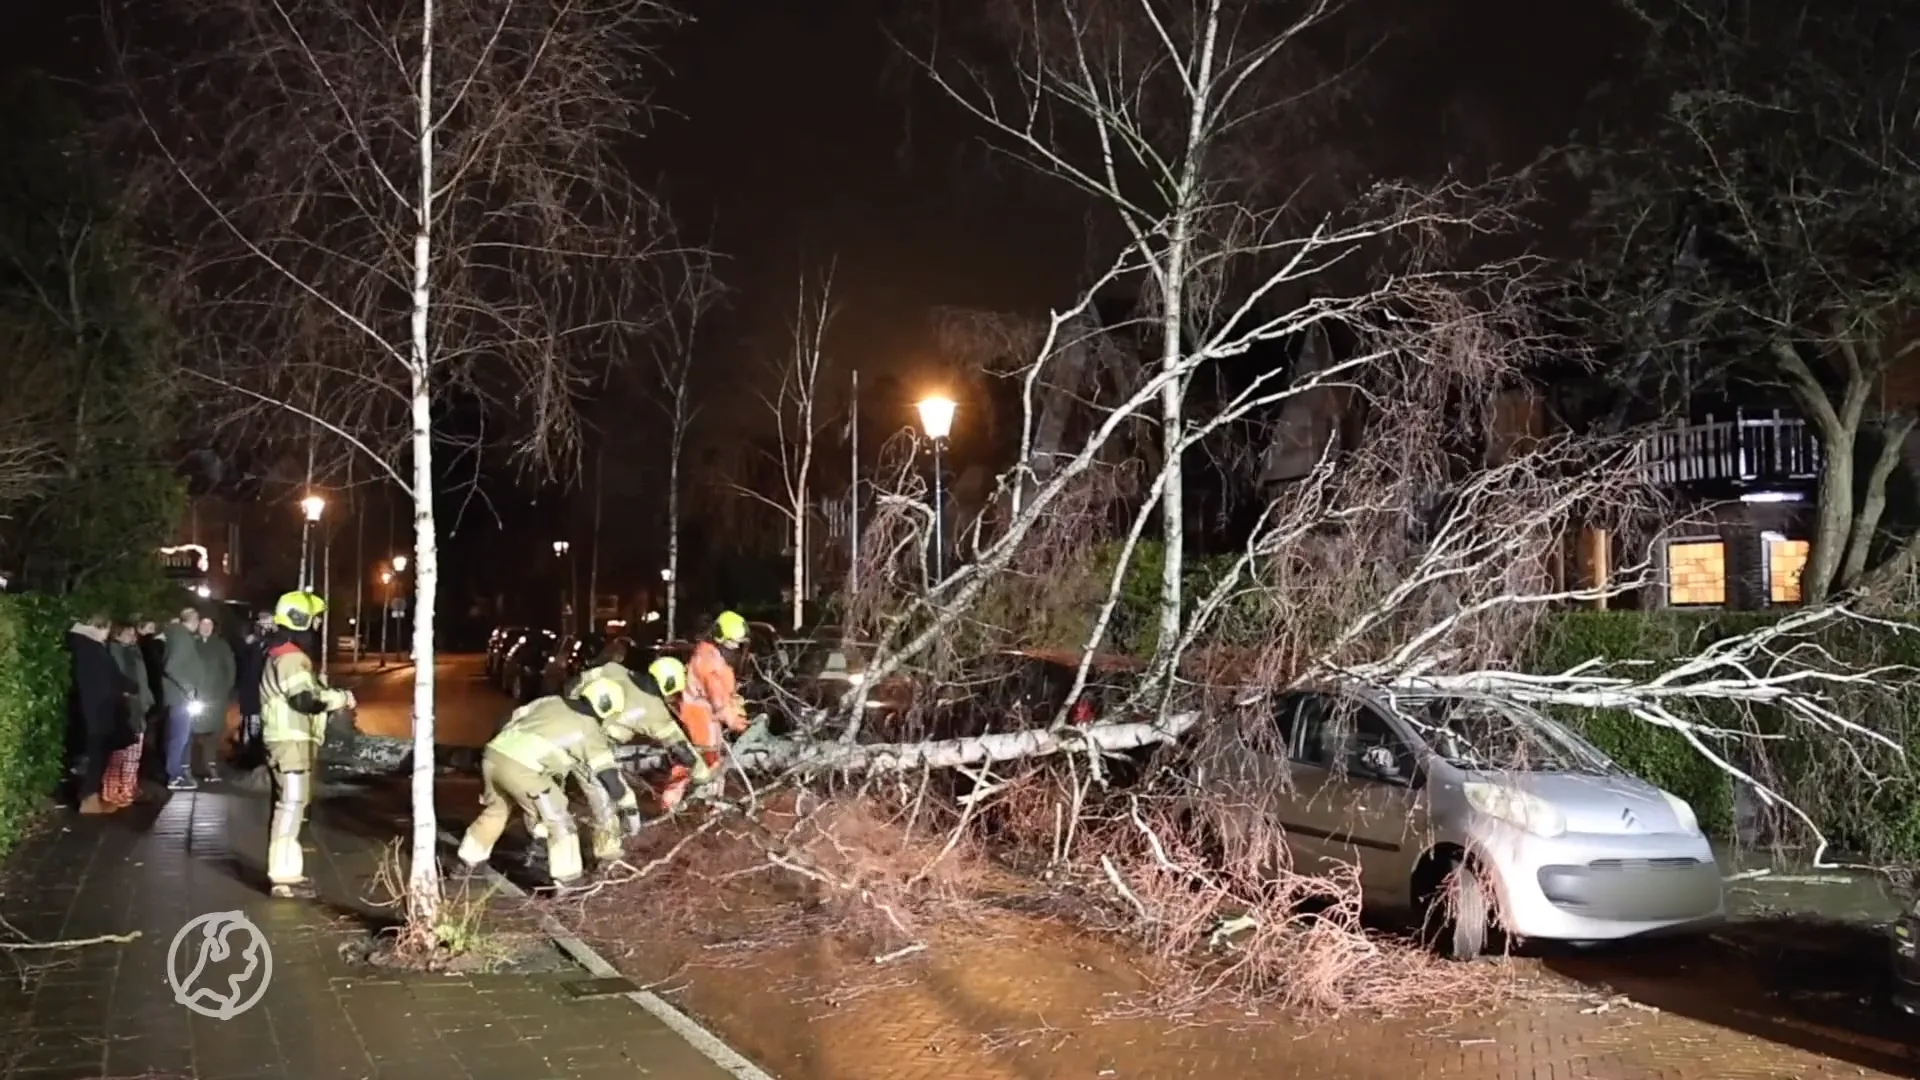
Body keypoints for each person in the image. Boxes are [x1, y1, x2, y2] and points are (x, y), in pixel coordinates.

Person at [453, 685, 648, 888]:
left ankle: (466, 861)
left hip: (493, 756)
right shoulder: (589, 730)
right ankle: (568, 880)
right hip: (524, 769)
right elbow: (608, 777)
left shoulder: (552, 701)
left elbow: (510, 718)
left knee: (497, 811)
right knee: (560, 821)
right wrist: (628, 806)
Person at [259, 590, 355, 898]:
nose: (317, 625)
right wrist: (339, 698)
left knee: (293, 804)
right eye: (314, 619)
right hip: (290, 742)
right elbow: (303, 700)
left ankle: (287, 872)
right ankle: (284, 877)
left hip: (291, 742)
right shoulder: (291, 657)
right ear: (300, 620)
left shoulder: (282, 654)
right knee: (291, 805)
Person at [564, 657, 706, 826]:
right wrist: (703, 776)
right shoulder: (654, 710)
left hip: (570, 724)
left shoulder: (615, 669)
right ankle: (610, 833)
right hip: (591, 747)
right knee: (606, 788)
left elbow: (575, 682)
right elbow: (680, 747)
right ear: (669, 685)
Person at [666, 611, 752, 809]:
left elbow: (724, 693)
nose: (737, 647)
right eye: (734, 642)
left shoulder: (712, 654)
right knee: (703, 758)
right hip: (700, 716)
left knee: (704, 759)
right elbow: (718, 699)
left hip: (704, 714)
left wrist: (735, 705)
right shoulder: (709, 662)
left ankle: (707, 799)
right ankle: (676, 802)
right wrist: (736, 721)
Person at [68, 614, 126, 815]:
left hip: (91, 709)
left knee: (93, 755)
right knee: (94, 756)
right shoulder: (91, 649)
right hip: (95, 711)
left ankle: (91, 797)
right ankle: (89, 800)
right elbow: (110, 678)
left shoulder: (81, 646)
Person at [104, 623, 155, 807]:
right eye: (128, 633)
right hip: (126, 705)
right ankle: (112, 790)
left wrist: (146, 699)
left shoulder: (134, 652)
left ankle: (128, 786)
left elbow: (142, 679)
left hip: (137, 704)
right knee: (120, 751)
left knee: (134, 751)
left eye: (133, 634)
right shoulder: (115, 652)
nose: (132, 637)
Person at [160, 606, 210, 790]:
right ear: (193, 620)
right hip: (180, 696)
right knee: (179, 737)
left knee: (182, 736)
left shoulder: (181, 636)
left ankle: (178, 772)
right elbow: (172, 666)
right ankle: (174, 775)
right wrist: (188, 688)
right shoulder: (181, 638)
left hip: (181, 695)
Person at [194, 615, 237, 782]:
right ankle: (190, 765)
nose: (206, 628)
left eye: (209, 625)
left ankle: (210, 765)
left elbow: (230, 669)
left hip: (215, 696)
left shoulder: (221, 645)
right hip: (194, 695)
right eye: (203, 624)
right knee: (191, 732)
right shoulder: (193, 643)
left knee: (213, 733)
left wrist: (224, 689)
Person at [233, 609, 273, 769]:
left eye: (269, 621)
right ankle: (249, 755)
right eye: (264, 621)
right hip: (252, 690)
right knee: (251, 723)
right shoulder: (250, 641)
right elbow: (243, 664)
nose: (267, 624)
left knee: (262, 723)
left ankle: (259, 755)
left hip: (266, 689)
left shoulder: (272, 641)